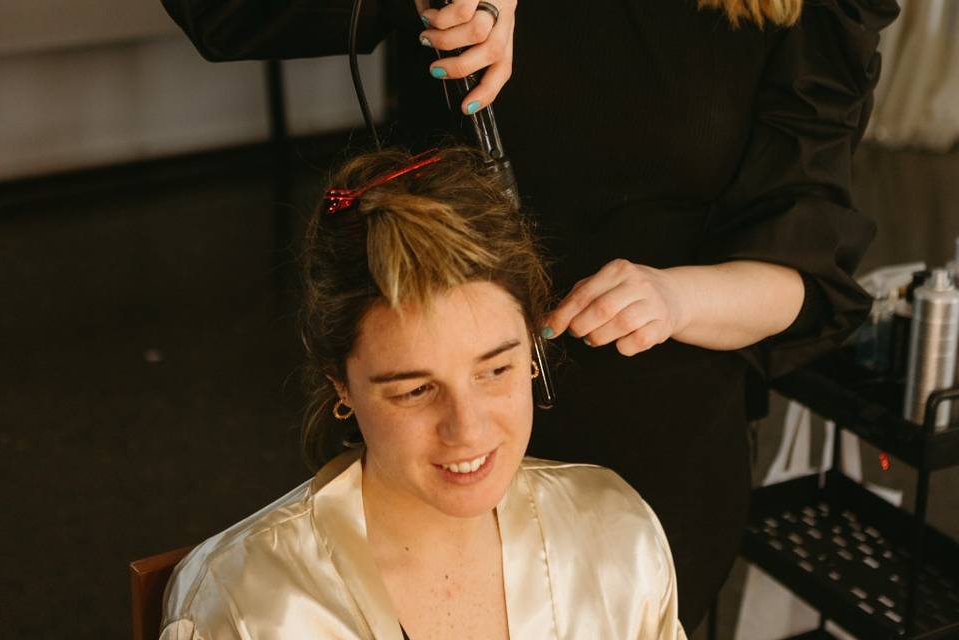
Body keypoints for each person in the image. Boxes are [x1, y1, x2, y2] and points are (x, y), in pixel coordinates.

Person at [160, 0, 900, 629]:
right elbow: (225, 16)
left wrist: (676, 298)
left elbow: (810, 272)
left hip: (651, 447)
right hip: (427, 418)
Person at [160, 146, 687, 639]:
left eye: (495, 370)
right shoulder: (247, 608)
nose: (469, 428)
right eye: (415, 390)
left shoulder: (617, 535)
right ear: (337, 381)